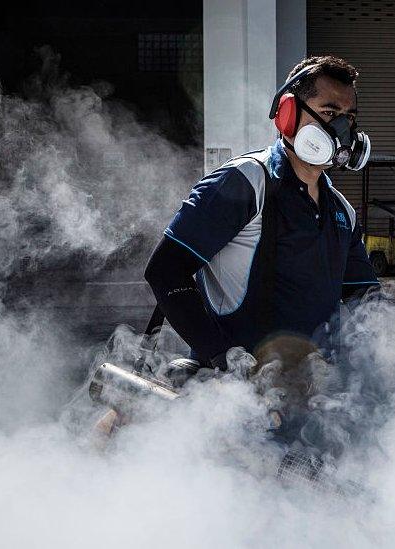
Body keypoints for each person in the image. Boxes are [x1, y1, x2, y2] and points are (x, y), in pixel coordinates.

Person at [144, 55, 379, 371]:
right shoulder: (245, 183)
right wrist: (223, 357)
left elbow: (365, 299)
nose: (342, 129)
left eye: (349, 117)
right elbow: (165, 270)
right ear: (288, 115)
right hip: (235, 399)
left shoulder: (342, 212)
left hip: (310, 395)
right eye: (329, 112)